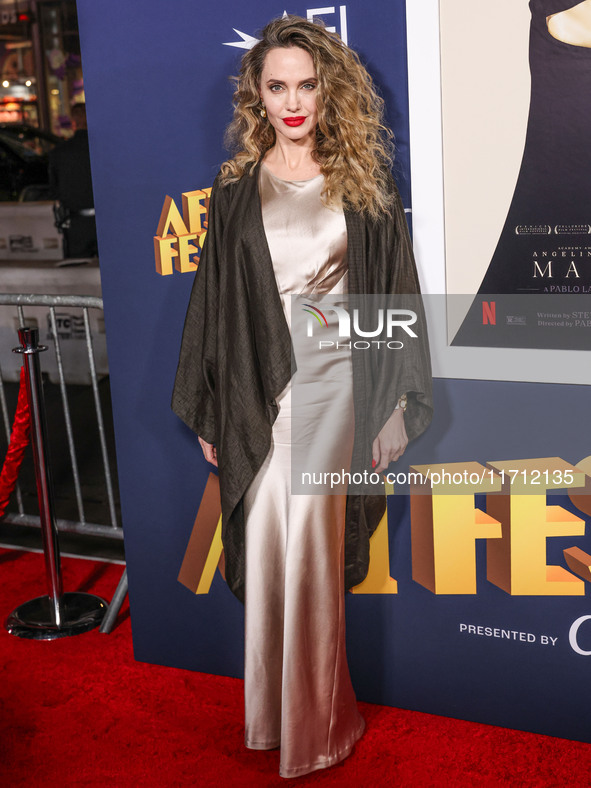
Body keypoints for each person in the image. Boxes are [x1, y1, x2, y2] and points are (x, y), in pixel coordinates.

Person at [172, 15, 432, 778]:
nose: (293, 101)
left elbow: (394, 301)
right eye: (277, 85)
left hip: (335, 394)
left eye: (307, 86)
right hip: (259, 393)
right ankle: (270, 718)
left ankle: (320, 727)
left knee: (312, 557)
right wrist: (215, 405)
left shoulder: (363, 187)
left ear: (329, 91)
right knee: (267, 547)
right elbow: (215, 307)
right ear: (256, 94)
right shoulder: (232, 191)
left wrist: (391, 407)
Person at [49, 103, 98, 258]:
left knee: (78, 275)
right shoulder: (105, 149)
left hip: (76, 224)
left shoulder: (59, 153)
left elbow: (54, 189)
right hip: (107, 222)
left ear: (73, 122)